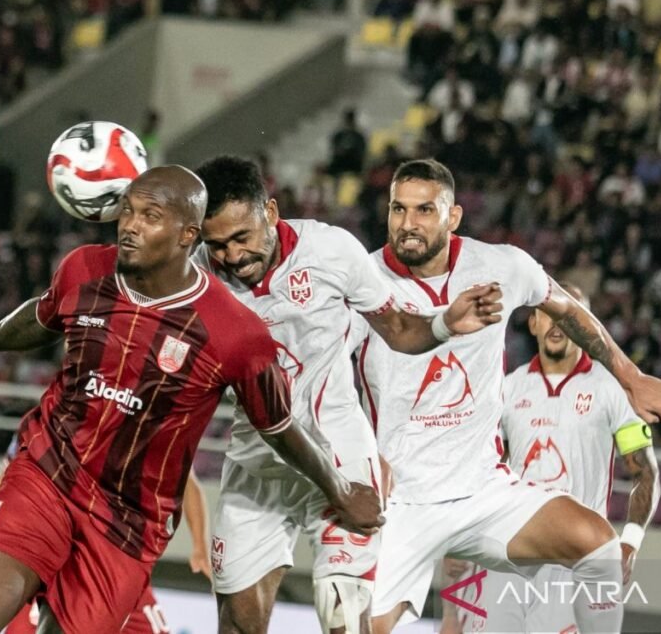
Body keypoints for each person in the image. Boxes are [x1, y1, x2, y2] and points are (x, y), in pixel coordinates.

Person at [0, 166, 384, 634]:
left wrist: (339, 489)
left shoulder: (234, 331)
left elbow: (277, 426)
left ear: (187, 235)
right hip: (47, 472)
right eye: (128, 211)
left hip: (129, 520)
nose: (130, 224)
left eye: (150, 216)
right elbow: (43, 314)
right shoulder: (84, 269)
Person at [351, 159, 661, 634]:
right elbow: (321, 380)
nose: (408, 224)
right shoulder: (360, 280)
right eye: (398, 209)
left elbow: (567, 308)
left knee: (599, 547)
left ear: (453, 216)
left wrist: (630, 377)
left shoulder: (501, 265)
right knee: (364, 628)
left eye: (424, 209)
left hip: (484, 490)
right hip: (403, 499)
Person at [193, 155, 503, 634]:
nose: (233, 257)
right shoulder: (196, 277)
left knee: (343, 613)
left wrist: (443, 323)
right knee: (236, 626)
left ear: (271, 213)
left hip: (339, 458)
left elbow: (396, 326)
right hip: (258, 467)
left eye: (242, 238)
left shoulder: (331, 251)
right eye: (218, 245)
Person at [443, 284, 660, 633]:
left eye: (570, 314)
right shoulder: (507, 389)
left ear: (587, 325)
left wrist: (630, 542)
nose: (557, 322)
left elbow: (645, 472)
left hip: (576, 561)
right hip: (509, 555)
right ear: (533, 324)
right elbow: (482, 470)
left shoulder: (611, 390)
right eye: (547, 313)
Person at [0, 435, 212, 634]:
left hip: (110, 559)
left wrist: (200, 547)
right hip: (66, 560)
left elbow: (187, 481)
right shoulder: (48, 421)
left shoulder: (144, 419)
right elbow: (4, 480)